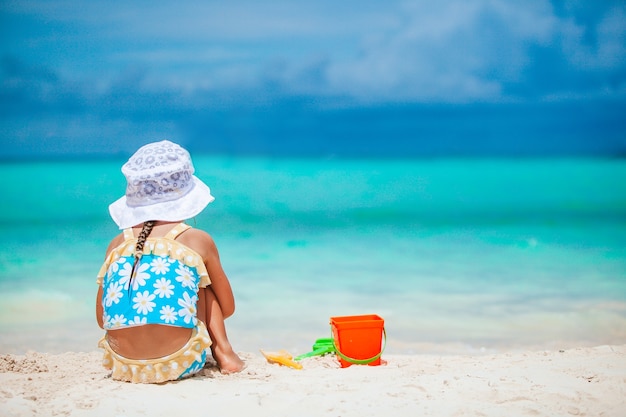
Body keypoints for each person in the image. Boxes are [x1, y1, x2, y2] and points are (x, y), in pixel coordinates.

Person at [95, 140, 245, 383]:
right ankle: (224, 352)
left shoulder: (116, 244)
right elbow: (227, 307)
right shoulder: (197, 239)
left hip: (124, 364)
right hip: (179, 360)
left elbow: (101, 317)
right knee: (204, 288)